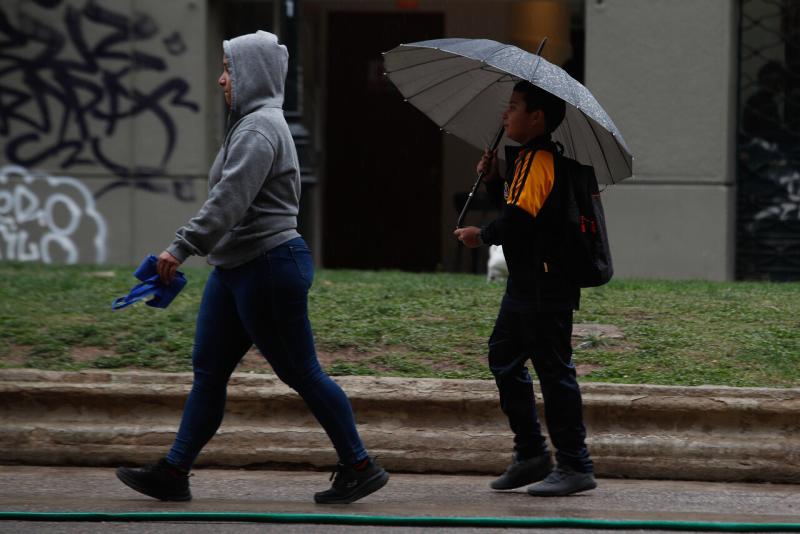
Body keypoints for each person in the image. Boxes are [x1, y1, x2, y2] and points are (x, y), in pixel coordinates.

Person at [115, 31, 389, 505]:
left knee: (302, 372)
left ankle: (360, 465)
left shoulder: (261, 129)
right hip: (235, 267)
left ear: (253, 74)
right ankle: (174, 471)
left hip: (268, 266)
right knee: (209, 371)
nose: (221, 78)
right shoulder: (249, 125)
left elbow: (228, 201)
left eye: (229, 68)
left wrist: (180, 248)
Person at [453, 81, 596, 497]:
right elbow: (522, 211)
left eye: (514, 107)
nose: (506, 115)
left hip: (546, 286)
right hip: (528, 285)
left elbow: (519, 223)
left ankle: (574, 464)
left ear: (537, 118)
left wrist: (481, 235)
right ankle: (532, 453)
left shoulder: (540, 160)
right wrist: (497, 178)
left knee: (553, 372)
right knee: (504, 358)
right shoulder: (527, 161)